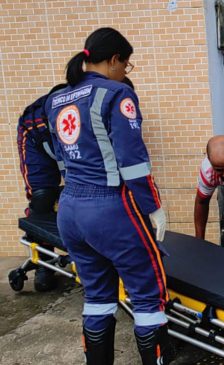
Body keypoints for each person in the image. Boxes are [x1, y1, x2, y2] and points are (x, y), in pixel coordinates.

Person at [46, 27, 173, 364]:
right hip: (109, 209)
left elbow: (60, 157)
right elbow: (132, 162)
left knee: (98, 296)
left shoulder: (56, 99)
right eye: (126, 66)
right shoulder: (117, 94)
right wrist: (153, 208)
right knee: (148, 296)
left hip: (71, 209)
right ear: (115, 59)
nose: (125, 73)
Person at [17, 83, 67, 291]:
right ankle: (44, 265)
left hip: (64, 138)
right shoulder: (39, 118)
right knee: (41, 195)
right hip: (35, 138)